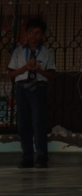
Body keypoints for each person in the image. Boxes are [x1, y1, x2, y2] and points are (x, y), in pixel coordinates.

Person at [7, 18, 56, 169]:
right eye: (31, 32)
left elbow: (51, 75)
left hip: (38, 88)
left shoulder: (46, 53)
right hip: (22, 88)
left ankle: (42, 156)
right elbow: (11, 74)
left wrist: (39, 70)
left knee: (38, 122)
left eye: (37, 33)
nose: (33, 36)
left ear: (42, 35)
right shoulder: (18, 52)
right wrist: (26, 68)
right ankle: (27, 157)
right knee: (23, 124)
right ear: (26, 34)